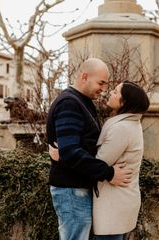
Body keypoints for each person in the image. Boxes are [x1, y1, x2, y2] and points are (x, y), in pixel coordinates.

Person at [46, 58, 133, 240]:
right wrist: (108, 173)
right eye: (101, 83)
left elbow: (72, 148)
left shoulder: (82, 101)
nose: (103, 89)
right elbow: (70, 152)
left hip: (77, 187)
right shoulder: (69, 103)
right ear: (84, 76)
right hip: (71, 189)